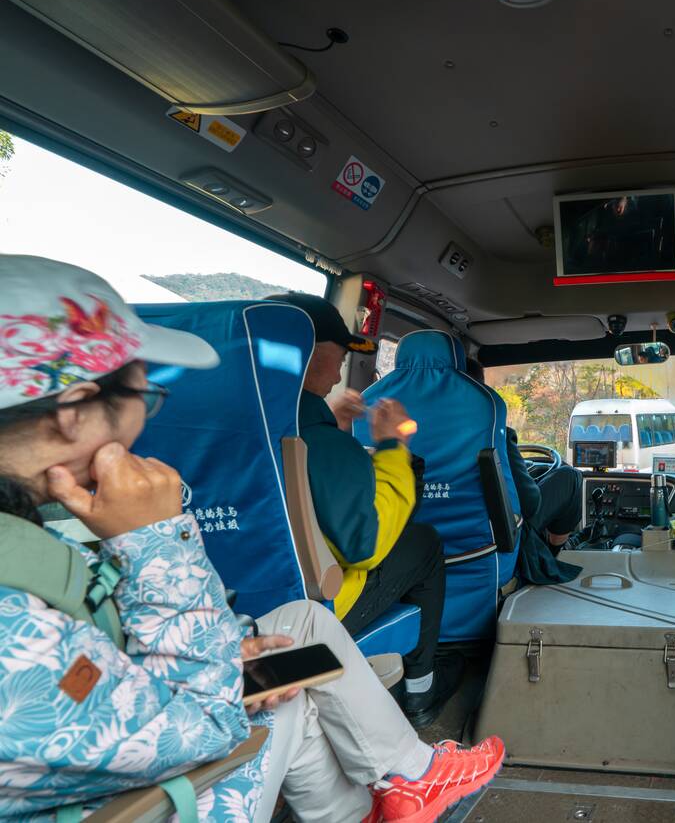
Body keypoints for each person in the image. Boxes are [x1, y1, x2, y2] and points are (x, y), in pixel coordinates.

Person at [0, 256, 503, 822]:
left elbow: (88, 670)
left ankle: (390, 793)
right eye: (147, 398)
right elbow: (203, 727)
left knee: (299, 642)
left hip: (144, 719)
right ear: (72, 414)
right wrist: (155, 542)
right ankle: (408, 773)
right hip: (157, 782)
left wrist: (226, 653)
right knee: (297, 684)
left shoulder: (30, 535)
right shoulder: (16, 622)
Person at [267, 292, 454, 729]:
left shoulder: (231, 423)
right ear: (312, 352)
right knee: (423, 541)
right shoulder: (325, 445)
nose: (339, 372)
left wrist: (333, 424)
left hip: (244, 612)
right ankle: (421, 689)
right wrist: (392, 447)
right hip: (313, 611)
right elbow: (366, 546)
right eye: (341, 354)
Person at [465, 357, 583, 585]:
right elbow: (530, 505)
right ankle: (555, 550)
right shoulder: (493, 432)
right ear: (481, 391)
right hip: (497, 538)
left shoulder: (406, 430)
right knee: (571, 477)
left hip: (441, 543)